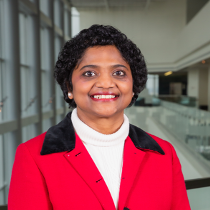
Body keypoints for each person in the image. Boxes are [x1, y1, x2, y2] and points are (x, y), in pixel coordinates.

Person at [8, 25, 191, 210]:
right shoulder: (33, 157)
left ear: (134, 84)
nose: (105, 83)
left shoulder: (165, 154)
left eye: (118, 73)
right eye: (89, 73)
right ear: (69, 87)